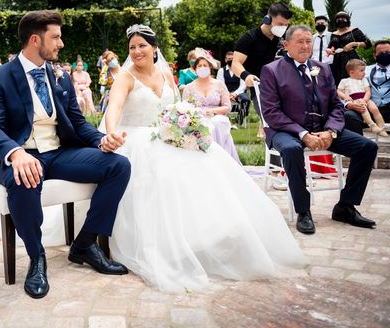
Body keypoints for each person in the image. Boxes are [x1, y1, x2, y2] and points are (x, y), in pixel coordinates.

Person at [103, 24, 305, 292]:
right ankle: (165, 242)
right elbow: (114, 108)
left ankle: (210, 236)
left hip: (166, 135)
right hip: (134, 139)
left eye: (142, 45)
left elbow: (175, 107)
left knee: (207, 164)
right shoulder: (125, 77)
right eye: (132, 47)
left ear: (154, 48)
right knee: (160, 176)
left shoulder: (166, 74)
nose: (137, 51)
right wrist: (111, 133)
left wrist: (187, 126)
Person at [0, 10, 131, 299]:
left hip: (59, 153)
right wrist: (15, 152)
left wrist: (102, 140)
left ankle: (85, 243)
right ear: (35, 40)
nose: (61, 43)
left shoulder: (59, 75)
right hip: (20, 155)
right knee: (25, 178)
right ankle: (37, 258)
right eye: (56, 37)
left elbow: (76, 120)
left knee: (118, 166)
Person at [259, 25, 377, 235]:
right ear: (286, 45)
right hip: (285, 130)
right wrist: (303, 134)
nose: (305, 46)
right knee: (292, 149)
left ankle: (345, 207)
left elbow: (335, 105)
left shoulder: (322, 68)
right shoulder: (271, 70)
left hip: (322, 129)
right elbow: (271, 113)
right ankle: (303, 211)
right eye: (300, 42)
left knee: (367, 147)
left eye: (308, 41)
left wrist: (330, 131)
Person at [232, 1, 292, 138]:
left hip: (284, 87)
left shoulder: (282, 39)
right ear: (268, 19)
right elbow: (236, 63)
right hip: (261, 88)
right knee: (271, 121)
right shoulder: (249, 38)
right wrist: (246, 76)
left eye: (286, 24)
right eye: (280, 24)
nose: (283, 28)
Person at [183, 53, 241, 163]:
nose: (202, 68)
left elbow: (227, 107)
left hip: (218, 116)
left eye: (205, 65)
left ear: (210, 67)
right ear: (195, 70)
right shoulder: (189, 88)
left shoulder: (219, 84)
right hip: (197, 119)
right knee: (202, 125)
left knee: (216, 123)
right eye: (199, 66)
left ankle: (218, 160)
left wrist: (211, 111)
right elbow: (185, 109)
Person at [337, 59, 388, 136]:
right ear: (352, 72)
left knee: (375, 109)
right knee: (363, 109)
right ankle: (372, 125)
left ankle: (382, 128)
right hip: (354, 99)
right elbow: (338, 91)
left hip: (365, 98)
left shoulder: (364, 80)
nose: (364, 73)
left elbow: (368, 91)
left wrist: (365, 99)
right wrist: (345, 96)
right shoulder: (345, 81)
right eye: (361, 71)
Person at [326, 11, 372, 86]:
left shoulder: (354, 31)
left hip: (351, 58)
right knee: (338, 81)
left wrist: (353, 44)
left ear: (347, 20)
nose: (341, 20)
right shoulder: (333, 34)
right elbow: (331, 46)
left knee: (353, 80)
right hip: (337, 60)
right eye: (338, 18)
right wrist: (329, 50)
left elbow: (368, 43)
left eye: (343, 18)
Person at [217, 51, 250, 126]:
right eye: (229, 59)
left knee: (246, 100)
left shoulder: (241, 70)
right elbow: (220, 84)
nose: (230, 60)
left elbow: (243, 85)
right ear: (225, 60)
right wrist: (228, 94)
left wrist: (234, 94)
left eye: (232, 58)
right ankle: (226, 120)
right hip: (225, 93)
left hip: (239, 92)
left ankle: (239, 120)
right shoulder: (221, 71)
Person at [366, 40, 390, 122]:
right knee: (350, 115)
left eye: (387, 52)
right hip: (371, 109)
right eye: (380, 53)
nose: (384, 55)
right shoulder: (365, 70)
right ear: (374, 56)